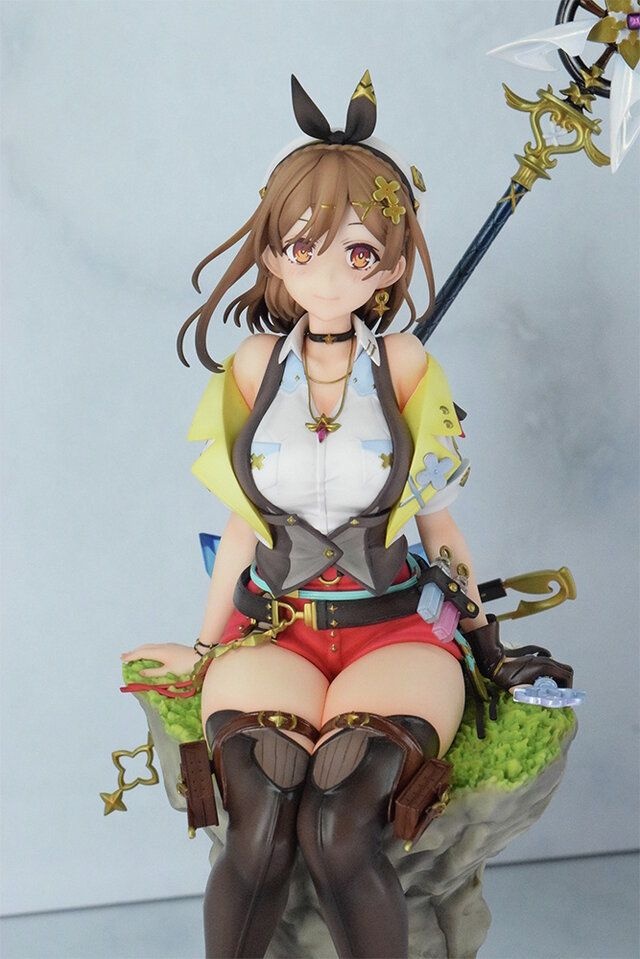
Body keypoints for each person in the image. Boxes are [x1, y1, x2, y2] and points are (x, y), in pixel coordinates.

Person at [122, 73, 572, 959]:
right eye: (303, 244)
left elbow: (440, 525)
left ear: (393, 266)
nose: (328, 272)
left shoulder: (405, 367)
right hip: (276, 629)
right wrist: (206, 649)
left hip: (393, 628)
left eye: (359, 251)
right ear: (273, 255)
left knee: (339, 821)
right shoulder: (252, 370)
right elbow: (243, 525)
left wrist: (487, 646)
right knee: (260, 818)